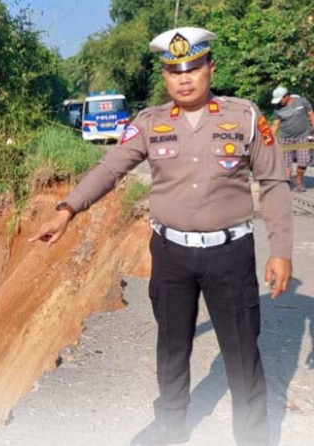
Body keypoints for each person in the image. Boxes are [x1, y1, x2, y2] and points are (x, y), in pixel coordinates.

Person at [29, 27, 293, 446]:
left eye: (192, 68)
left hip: (230, 255)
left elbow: (275, 183)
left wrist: (280, 251)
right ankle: (169, 429)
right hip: (171, 256)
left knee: (243, 356)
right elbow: (110, 168)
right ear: (165, 77)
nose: (184, 78)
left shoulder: (243, 117)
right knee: (171, 350)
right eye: (174, 71)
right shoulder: (149, 123)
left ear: (210, 68)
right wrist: (68, 208)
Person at [270, 86, 314, 192]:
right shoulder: (277, 109)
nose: (279, 102)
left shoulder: (302, 102)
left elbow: (311, 115)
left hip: (303, 137)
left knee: (303, 162)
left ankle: (299, 181)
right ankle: (286, 183)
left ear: (286, 96)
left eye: (280, 99)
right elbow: (275, 125)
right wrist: (269, 139)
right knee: (286, 164)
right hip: (285, 139)